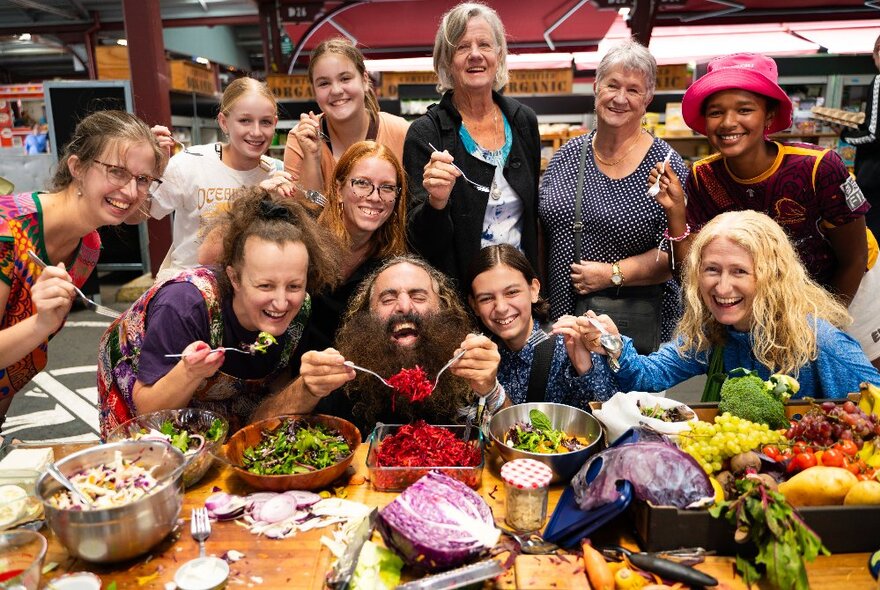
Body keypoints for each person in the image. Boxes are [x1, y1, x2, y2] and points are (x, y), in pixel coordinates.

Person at [652, 52, 880, 367]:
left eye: (745, 109)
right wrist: (676, 214)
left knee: (861, 384)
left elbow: (853, 259)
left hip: (851, 285)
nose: (729, 122)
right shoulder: (703, 178)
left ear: (769, 115)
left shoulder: (817, 168)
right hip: (774, 299)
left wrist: (821, 329)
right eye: (716, 112)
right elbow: (690, 278)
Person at [97, 189, 339, 437]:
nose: (281, 302)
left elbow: (276, 384)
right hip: (143, 389)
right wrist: (189, 372)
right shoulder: (185, 305)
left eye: (294, 286)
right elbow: (148, 409)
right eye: (265, 286)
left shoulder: (300, 310)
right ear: (234, 277)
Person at [579, 211, 880, 399]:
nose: (722, 287)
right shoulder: (714, 330)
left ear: (772, 276)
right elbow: (648, 376)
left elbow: (874, 409)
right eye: (712, 270)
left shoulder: (821, 344)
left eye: (739, 271)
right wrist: (614, 343)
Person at [0, 110, 166, 424]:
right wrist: (42, 324)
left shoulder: (88, 247)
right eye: (117, 171)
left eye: (143, 179)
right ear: (77, 167)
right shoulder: (6, 230)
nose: (131, 192)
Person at [539, 39, 687, 353]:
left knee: (629, 403)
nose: (620, 98)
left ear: (647, 99)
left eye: (633, 90)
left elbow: (678, 252)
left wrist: (612, 274)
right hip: (564, 324)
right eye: (612, 85)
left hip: (631, 330)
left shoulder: (665, 166)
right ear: (596, 87)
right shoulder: (567, 155)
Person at [262, 255, 504, 438]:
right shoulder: (345, 374)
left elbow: (519, 442)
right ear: (368, 314)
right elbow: (259, 431)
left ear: (442, 308)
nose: (404, 306)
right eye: (387, 299)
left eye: (419, 296)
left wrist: (491, 389)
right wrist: (307, 388)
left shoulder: (466, 364)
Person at [403, 2, 541, 289]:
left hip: (520, 295)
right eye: (462, 47)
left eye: (484, 45)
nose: (475, 55)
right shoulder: (426, 134)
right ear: (446, 59)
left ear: (499, 54)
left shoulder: (523, 121)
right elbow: (419, 242)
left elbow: (531, 219)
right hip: (460, 301)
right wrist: (436, 203)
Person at [149, 78, 285, 282]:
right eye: (245, 120)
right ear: (224, 122)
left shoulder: (276, 174)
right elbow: (141, 213)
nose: (256, 132)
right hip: (187, 287)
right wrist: (147, 169)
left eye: (265, 122)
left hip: (248, 288)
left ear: (274, 123)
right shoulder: (190, 163)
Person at [466, 244, 616, 410]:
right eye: (486, 298)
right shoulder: (478, 354)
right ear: (474, 306)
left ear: (533, 290)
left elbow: (609, 415)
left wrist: (585, 370)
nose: (501, 307)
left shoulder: (568, 343)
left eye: (512, 292)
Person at [306, 140, 408, 350]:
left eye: (387, 188)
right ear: (338, 190)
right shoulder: (306, 243)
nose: (374, 197)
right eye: (362, 183)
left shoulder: (391, 265)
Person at [284, 38, 410, 196]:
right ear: (314, 91)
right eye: (324, 83)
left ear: (364, 80)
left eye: (345, 79)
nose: (336, 90)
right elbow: (303, 216)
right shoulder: (301, 138)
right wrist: (312, 159)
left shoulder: (401, 132)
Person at [840, 33, 880, 239]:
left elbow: (874, 134)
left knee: (871, 236)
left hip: (875, 176)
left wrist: (847, 135)